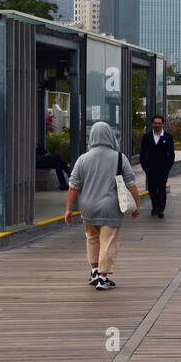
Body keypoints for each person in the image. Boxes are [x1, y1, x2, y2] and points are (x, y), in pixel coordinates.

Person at [64, 121, 141, 290]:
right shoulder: (119, 157)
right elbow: (131, 183)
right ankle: (103, 278)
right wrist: (137, 204)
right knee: (108, 241)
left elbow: (73, 186)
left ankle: (94, 270)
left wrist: (69, 209)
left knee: (92, 239)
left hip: (88, 207)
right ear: (110, 136)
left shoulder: (82, 159)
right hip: (110, 207)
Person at [139, 114, 176, 218]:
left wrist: (168, 166)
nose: (157, 125)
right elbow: (142, 154)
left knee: (161, 188)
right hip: (150, 169)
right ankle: (154, 206)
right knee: (152, 188)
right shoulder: (146, 137)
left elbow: (171, 154)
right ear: (152, 124)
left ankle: (160, 209)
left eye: (159, 123)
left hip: (163, 169)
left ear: (163, 124)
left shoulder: (168, 137)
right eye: (155, 123)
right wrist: (144, 167)